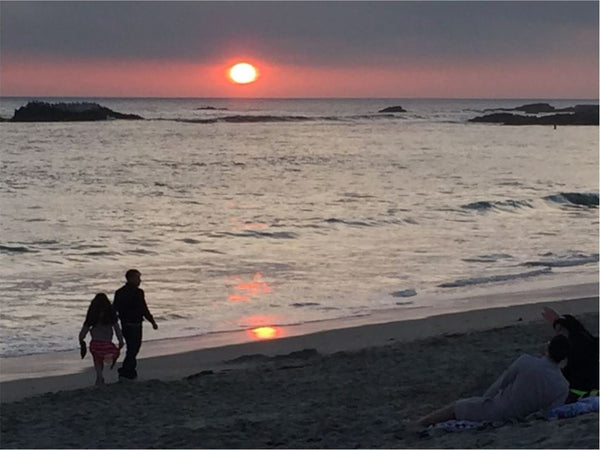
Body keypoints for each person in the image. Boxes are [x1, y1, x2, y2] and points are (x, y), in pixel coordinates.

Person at [417, 335, 571, 426]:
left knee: (455, 407)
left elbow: (501, 382)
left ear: (548, 347)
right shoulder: (562, 386)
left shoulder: (526, 361)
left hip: (497, 411)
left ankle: (419, 424)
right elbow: (552, 414)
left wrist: (485, 399)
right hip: (518, 417)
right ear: (564, 358)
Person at [542, 307, 599, 402]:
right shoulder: (584, 337)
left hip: (583, 385)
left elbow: (574, 368)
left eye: (559, 331)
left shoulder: (577, 343)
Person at [113, 269, 158, 380]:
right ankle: (126, 371)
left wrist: (113, 321)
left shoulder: (119, 292)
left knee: (131, 348)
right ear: (131, 278)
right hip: (135, 324)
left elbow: (114, 308)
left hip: (125, 324)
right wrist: (152, 321)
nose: (140, 280)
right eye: (138, 278)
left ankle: (129, 371)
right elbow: (143, 308)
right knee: (134, 348)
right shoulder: (138, 292)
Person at [78, 293, 124, 386]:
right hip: (107, 343)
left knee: (97, 360)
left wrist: (81, 338)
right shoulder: (110, 315)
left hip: (95, 343)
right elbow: (117, 328)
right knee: (106, 357)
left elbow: (84, 329)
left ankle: (99, 376)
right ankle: (105, 370)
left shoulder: (92, 315)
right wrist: (120, 340)